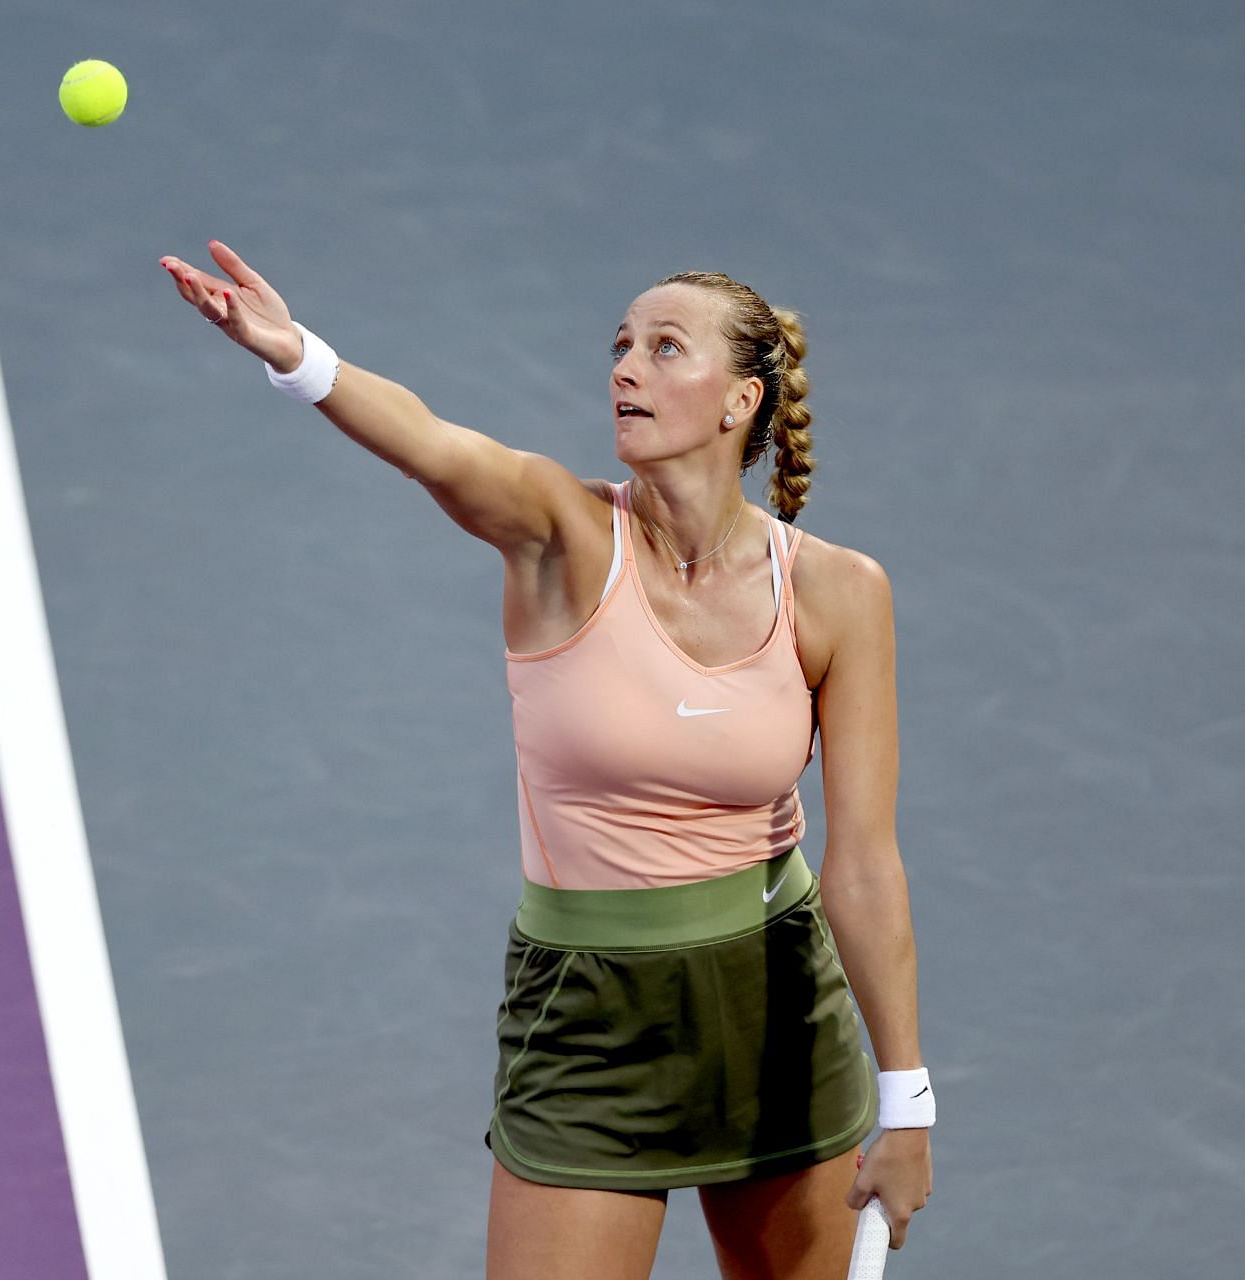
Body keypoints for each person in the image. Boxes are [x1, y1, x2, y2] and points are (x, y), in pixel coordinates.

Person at [159, 241, 934, 1280]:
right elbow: (433, 445)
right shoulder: (558, 534)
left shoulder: (839, 592)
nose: (625, 369)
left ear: (740, 399)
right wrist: (299, 356)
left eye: (665, 348)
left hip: (776, 1019)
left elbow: (865, 863)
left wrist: (908, 1098)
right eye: (621, 346)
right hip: (588, 1023)